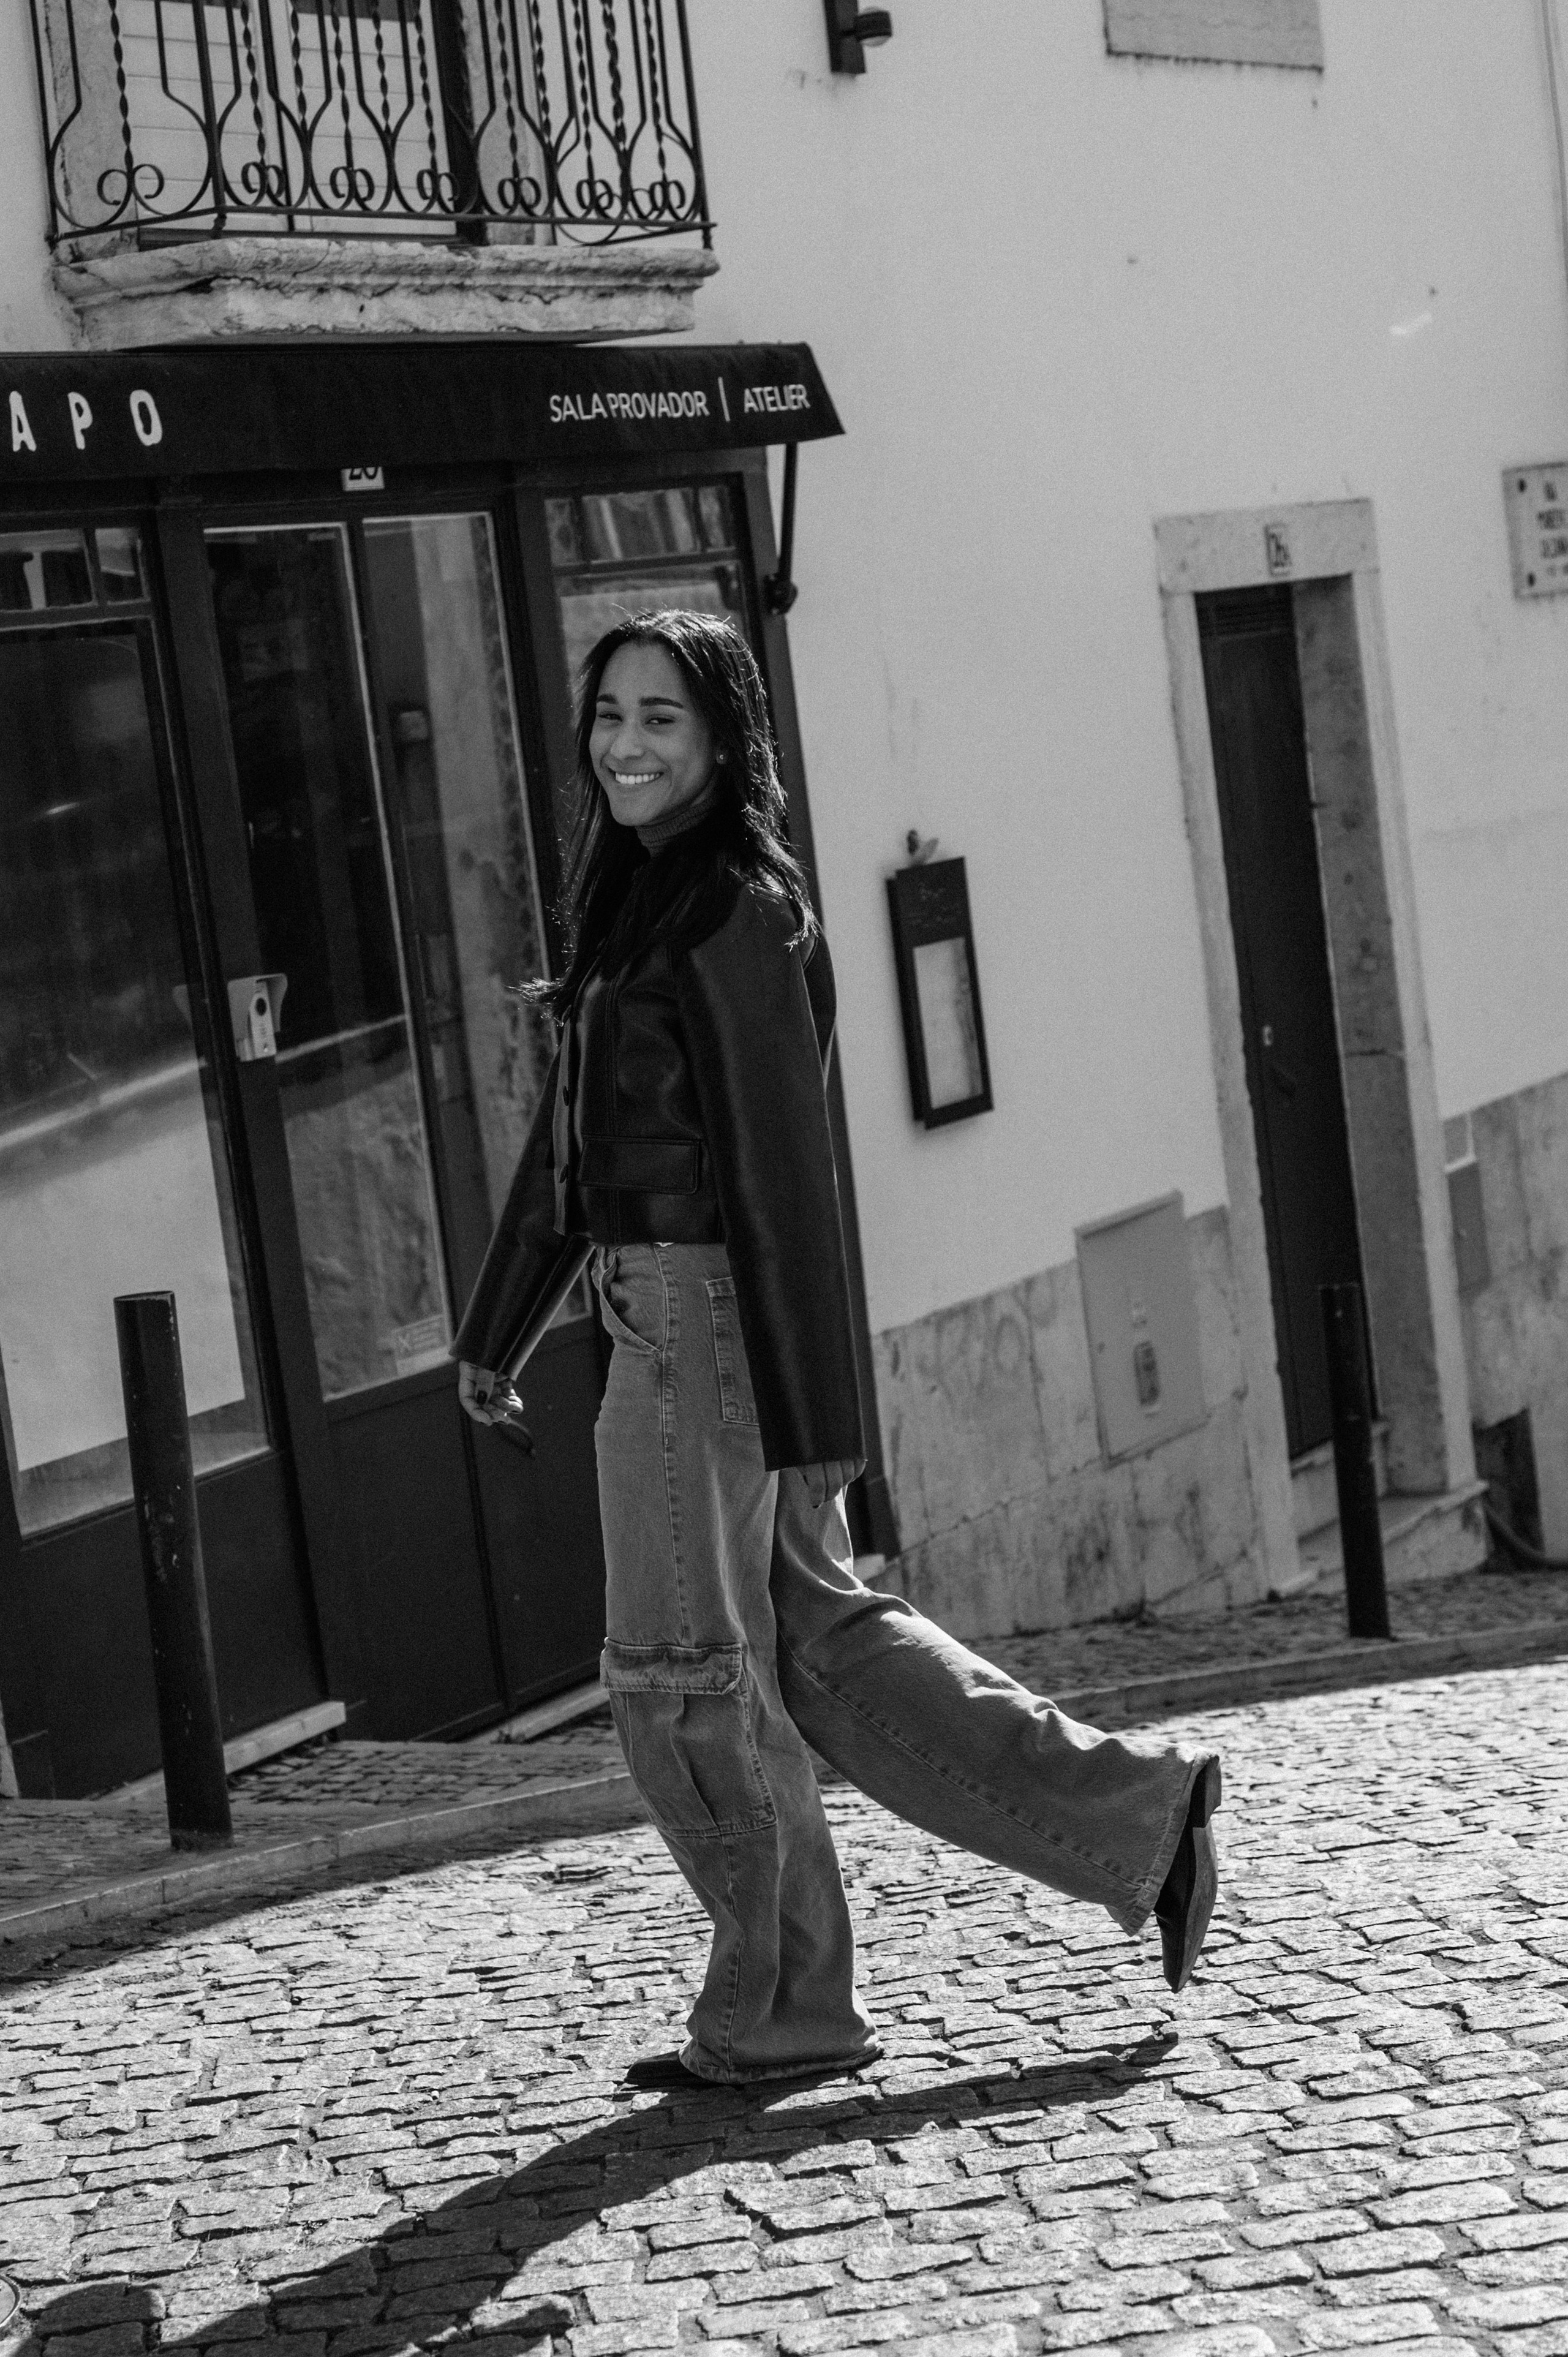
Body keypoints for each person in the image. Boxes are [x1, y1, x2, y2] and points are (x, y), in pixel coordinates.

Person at [453, 609, 1222, 2090]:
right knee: (822, 1655)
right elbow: (573, 1141)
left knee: (678, 1673)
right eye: (606, 713)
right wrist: (503, 1322)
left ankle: (786, 2002)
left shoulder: (730, 904)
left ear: (721, 736)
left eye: (659, 717)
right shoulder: (640, 893)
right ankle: (1142, 1816)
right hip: (660, 1311)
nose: (624, 742)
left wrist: (817, 1424)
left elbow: (781, 1178)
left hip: (698, 1326)